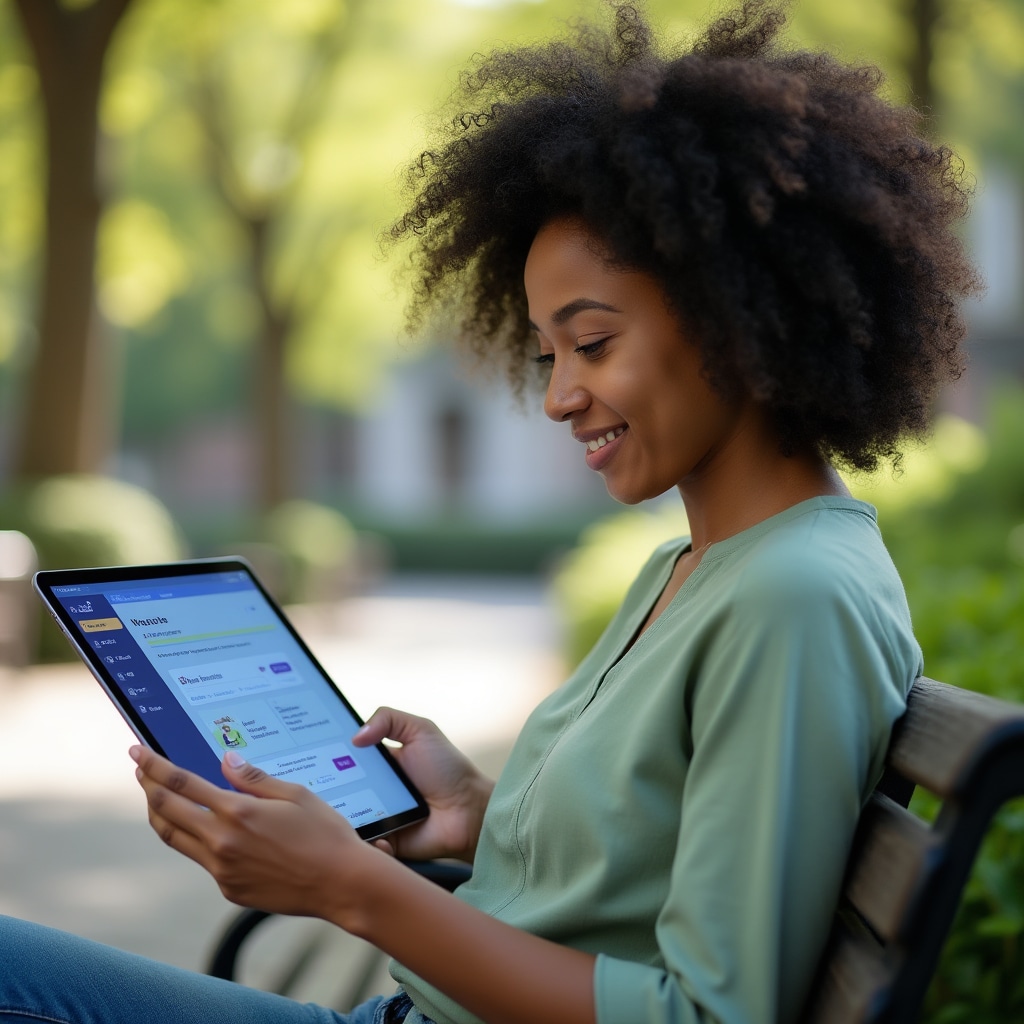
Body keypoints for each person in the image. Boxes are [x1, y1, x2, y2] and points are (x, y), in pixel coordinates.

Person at [0, 3, 979, 1023]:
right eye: (547, 353)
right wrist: (477, 816)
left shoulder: (790, 597)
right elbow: (640, 865)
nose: (557, 395)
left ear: (742, 319)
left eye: (592, 344)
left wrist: (350, 886)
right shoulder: (702, 566)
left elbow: (709, 1016)